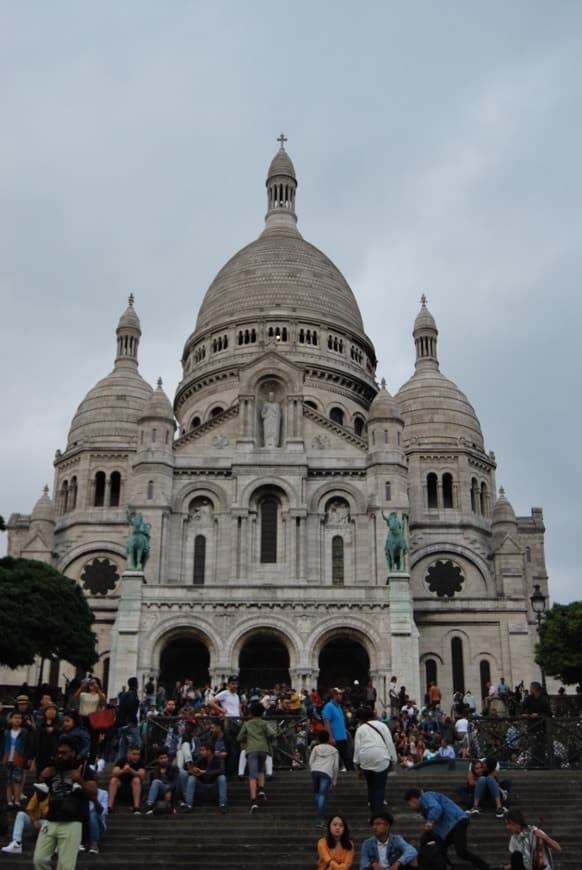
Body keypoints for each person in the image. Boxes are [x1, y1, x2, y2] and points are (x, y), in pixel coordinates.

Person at [33, 735, 97, 870]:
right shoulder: (53, 768)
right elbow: (40, 797)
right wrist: (43, 778)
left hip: (72, 822)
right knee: (39, 859)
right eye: (58, 753)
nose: (60, 756)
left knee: (66, 866)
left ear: (73, 753)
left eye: (64, 753)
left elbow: (93, 794)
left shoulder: (83, 769)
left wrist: (80, 780)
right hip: (51, 820)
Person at [404, 787, 491, 870]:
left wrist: (430, 821)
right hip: (448, 829)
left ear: (413, 800)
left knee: (461, 851)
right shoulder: (423, 809)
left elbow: (436, 808)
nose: (410, 807)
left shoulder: (426, 796)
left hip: (456, 822)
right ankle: (448, 867)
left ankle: (486, 867)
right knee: (438, 849)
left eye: (409, 804)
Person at [353, 706, 397, 816]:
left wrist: (357, 763)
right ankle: (378, 814)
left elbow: (357, 747)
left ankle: (373, 812)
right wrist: (394, 759)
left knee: (371, 786)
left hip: (365, 757)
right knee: (380, 787)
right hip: (381, 756)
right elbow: (389, 743)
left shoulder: (360, 729)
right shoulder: (382, 726)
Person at [237, 701, 275, 814]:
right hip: (263, 749)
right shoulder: (264, 723)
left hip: (252, 749)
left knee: (252, 775)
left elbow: (239, 737)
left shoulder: (247, 724)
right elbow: (272, 733)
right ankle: (261, 790)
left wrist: (245, 739)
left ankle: (253, 800)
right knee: (261, 769)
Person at [1, 782, 49, 855]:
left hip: (46, 825)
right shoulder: (36, 796)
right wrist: (34, 820)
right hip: (35, 822)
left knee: (48, 823)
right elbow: (28, 809)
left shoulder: (51, 798)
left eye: (39, 791)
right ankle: (17, 843)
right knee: (21, 814)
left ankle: (52, 846)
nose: (37, 793)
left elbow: (49, 816)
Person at [208, 675, 241, 778]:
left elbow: (237, 708)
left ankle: (234, 771)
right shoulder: (225, 693)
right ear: (228, 684)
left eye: (236, 684)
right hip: (229, 721)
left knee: (236, 747)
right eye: (232, 684)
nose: (234, 686)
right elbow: (211, 701)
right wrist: (221, 710)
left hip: (237, 721)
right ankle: (228, 772)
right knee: (230, 747)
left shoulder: (237, 696)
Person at [181, 742, 227, 814]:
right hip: (202, 789)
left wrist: (204, 772)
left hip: (214, 789)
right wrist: (194, 770)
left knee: (222, 777)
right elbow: (189, 770)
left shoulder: (218, 759)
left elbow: (222, 770)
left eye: (202, 750)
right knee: (192, 778)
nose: (200, 752)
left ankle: (222, 804)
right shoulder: (200, 760)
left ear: (209, 751)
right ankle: (189, 805)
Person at [1, 710, 33, 809]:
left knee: (17, 780)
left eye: (19, 718)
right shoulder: (6, 732)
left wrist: (28, 758)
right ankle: (9, 801)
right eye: (15, 718)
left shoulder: (24, 732)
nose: (17, 720)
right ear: (10, 720)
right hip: (7, 758)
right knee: (8, 781)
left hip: (19, 758)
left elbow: (28, 745)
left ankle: (17, 800)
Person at [309, 730, 339, 826]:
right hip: (326, 772)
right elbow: (336, 767)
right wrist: (334, 780)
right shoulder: (334, 750)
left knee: (317, 793)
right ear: (328, 738)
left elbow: (310, 761)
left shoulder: (316, 748)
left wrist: (312, 769)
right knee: (322, 794)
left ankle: (319, 813)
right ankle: (320, 818)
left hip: (315, 770)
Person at [107, 745, 145, 814]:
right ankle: (109, 806)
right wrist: (123, 771)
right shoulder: (122, 761)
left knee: (136, 779)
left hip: (134, 788)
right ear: (128, 754)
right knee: (114, 780)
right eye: (134, 754)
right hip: (122, 788)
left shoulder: (140, 762)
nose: (136, 757)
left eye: (138, 754)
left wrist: (130, 770)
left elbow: (142, 775)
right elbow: (114, 773)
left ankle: (136, 807)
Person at [322, 688, 353, 771]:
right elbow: (326, 722)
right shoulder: (329, 706)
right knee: (336, 759)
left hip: (342, 737)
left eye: (341, 694)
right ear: (334, 695)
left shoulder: (339, 707)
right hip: (335, 738)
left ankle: (351, 773)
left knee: (347, 758)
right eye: (339, 694)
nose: (341, 696)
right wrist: (330, 737)